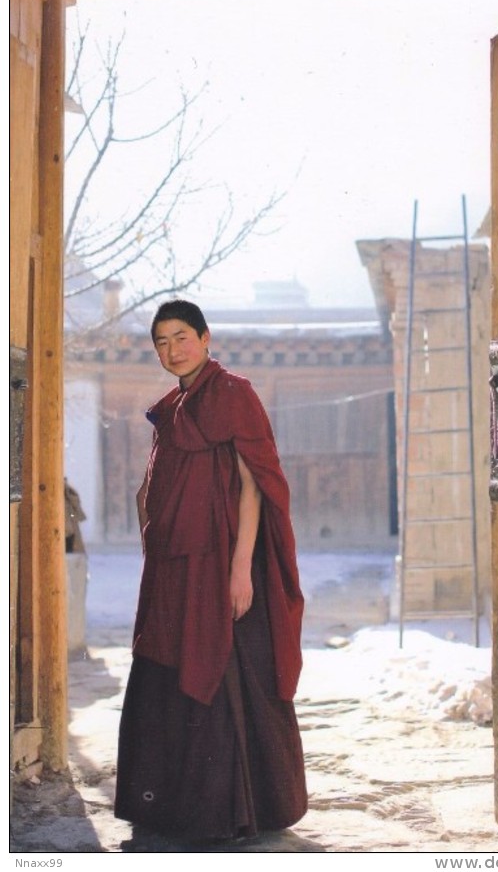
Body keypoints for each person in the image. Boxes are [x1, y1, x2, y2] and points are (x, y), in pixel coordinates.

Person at [114, 299, 307, 842]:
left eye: (180, 338)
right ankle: (171, 808)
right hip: (176, 567)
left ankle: (234, 812)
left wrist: (241, 569)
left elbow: (253, 488)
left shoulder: (232, 394)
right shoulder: (172, 407)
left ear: (205, 338)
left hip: (223, 563)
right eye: (160, 342)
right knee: (165, 666)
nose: (171, 351)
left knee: (224, 671)